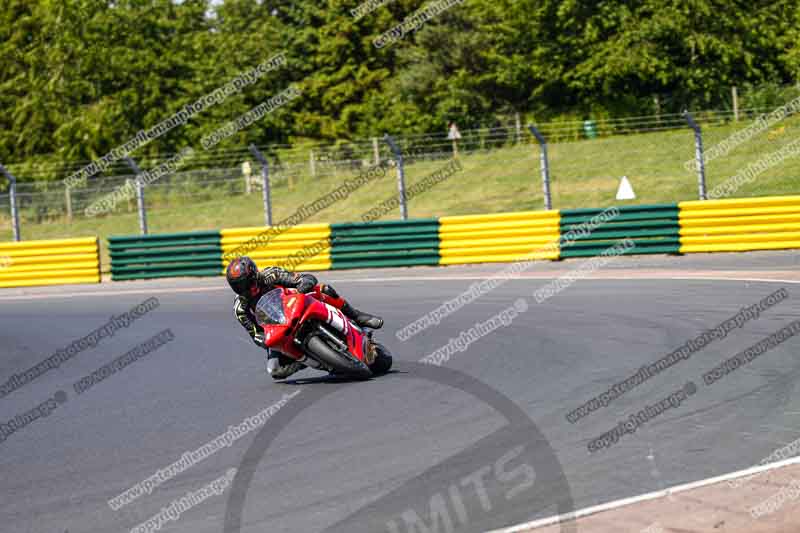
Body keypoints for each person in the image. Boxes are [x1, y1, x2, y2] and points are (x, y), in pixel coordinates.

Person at [226, 256, 383, 379]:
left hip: (296, 305)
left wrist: (302, 288)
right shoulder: (240, 308)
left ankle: (357, 315)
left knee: (324, 289)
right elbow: (255, 335)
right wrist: (266, 339)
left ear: (255, 274)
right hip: (279, 330)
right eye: (241, 286)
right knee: (274, 369)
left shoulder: (270, 275)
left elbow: (304, 278)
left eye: (249, 282)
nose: (248, 288)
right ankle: (309, 361)